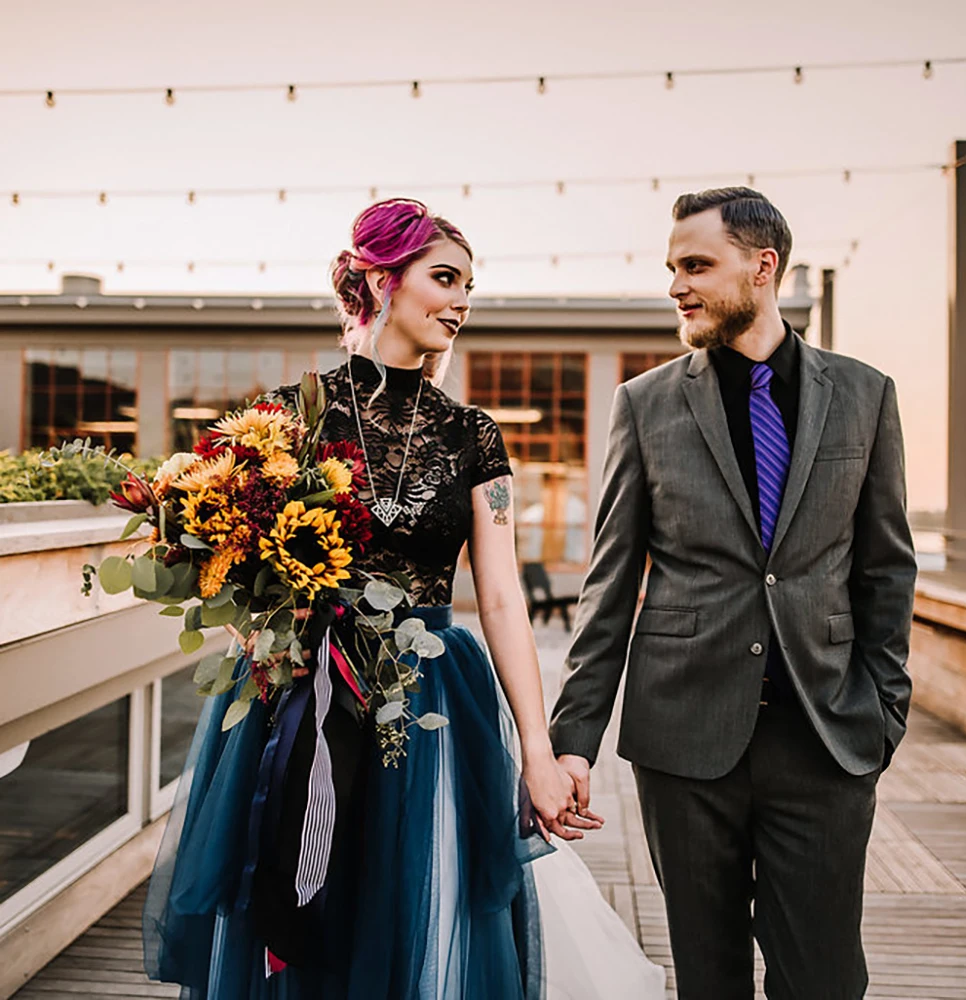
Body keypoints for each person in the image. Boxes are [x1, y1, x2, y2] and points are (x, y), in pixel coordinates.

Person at [143, 197, 666, 999]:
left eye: (470, 285)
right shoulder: (287, 418)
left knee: (413, 906)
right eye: (445, 278)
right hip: (297, 694)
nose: (462, 301)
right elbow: (235, 570)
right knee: (294, 900)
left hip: (430, 708)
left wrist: (535, 749)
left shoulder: (474, 437)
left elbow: (498, 599)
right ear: (382, 280)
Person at [550, 187, 917, 1000]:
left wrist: (886, 711)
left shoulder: (865, 395)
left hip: (825, 739)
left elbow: (886, 570)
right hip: (683, 745)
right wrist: (573, 738)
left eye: (695, 265)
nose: (676, 284)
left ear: (762, 267)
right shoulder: (643, 404)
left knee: (822, 980)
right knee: (706, 981)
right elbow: (609, 585)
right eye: (672, 267)